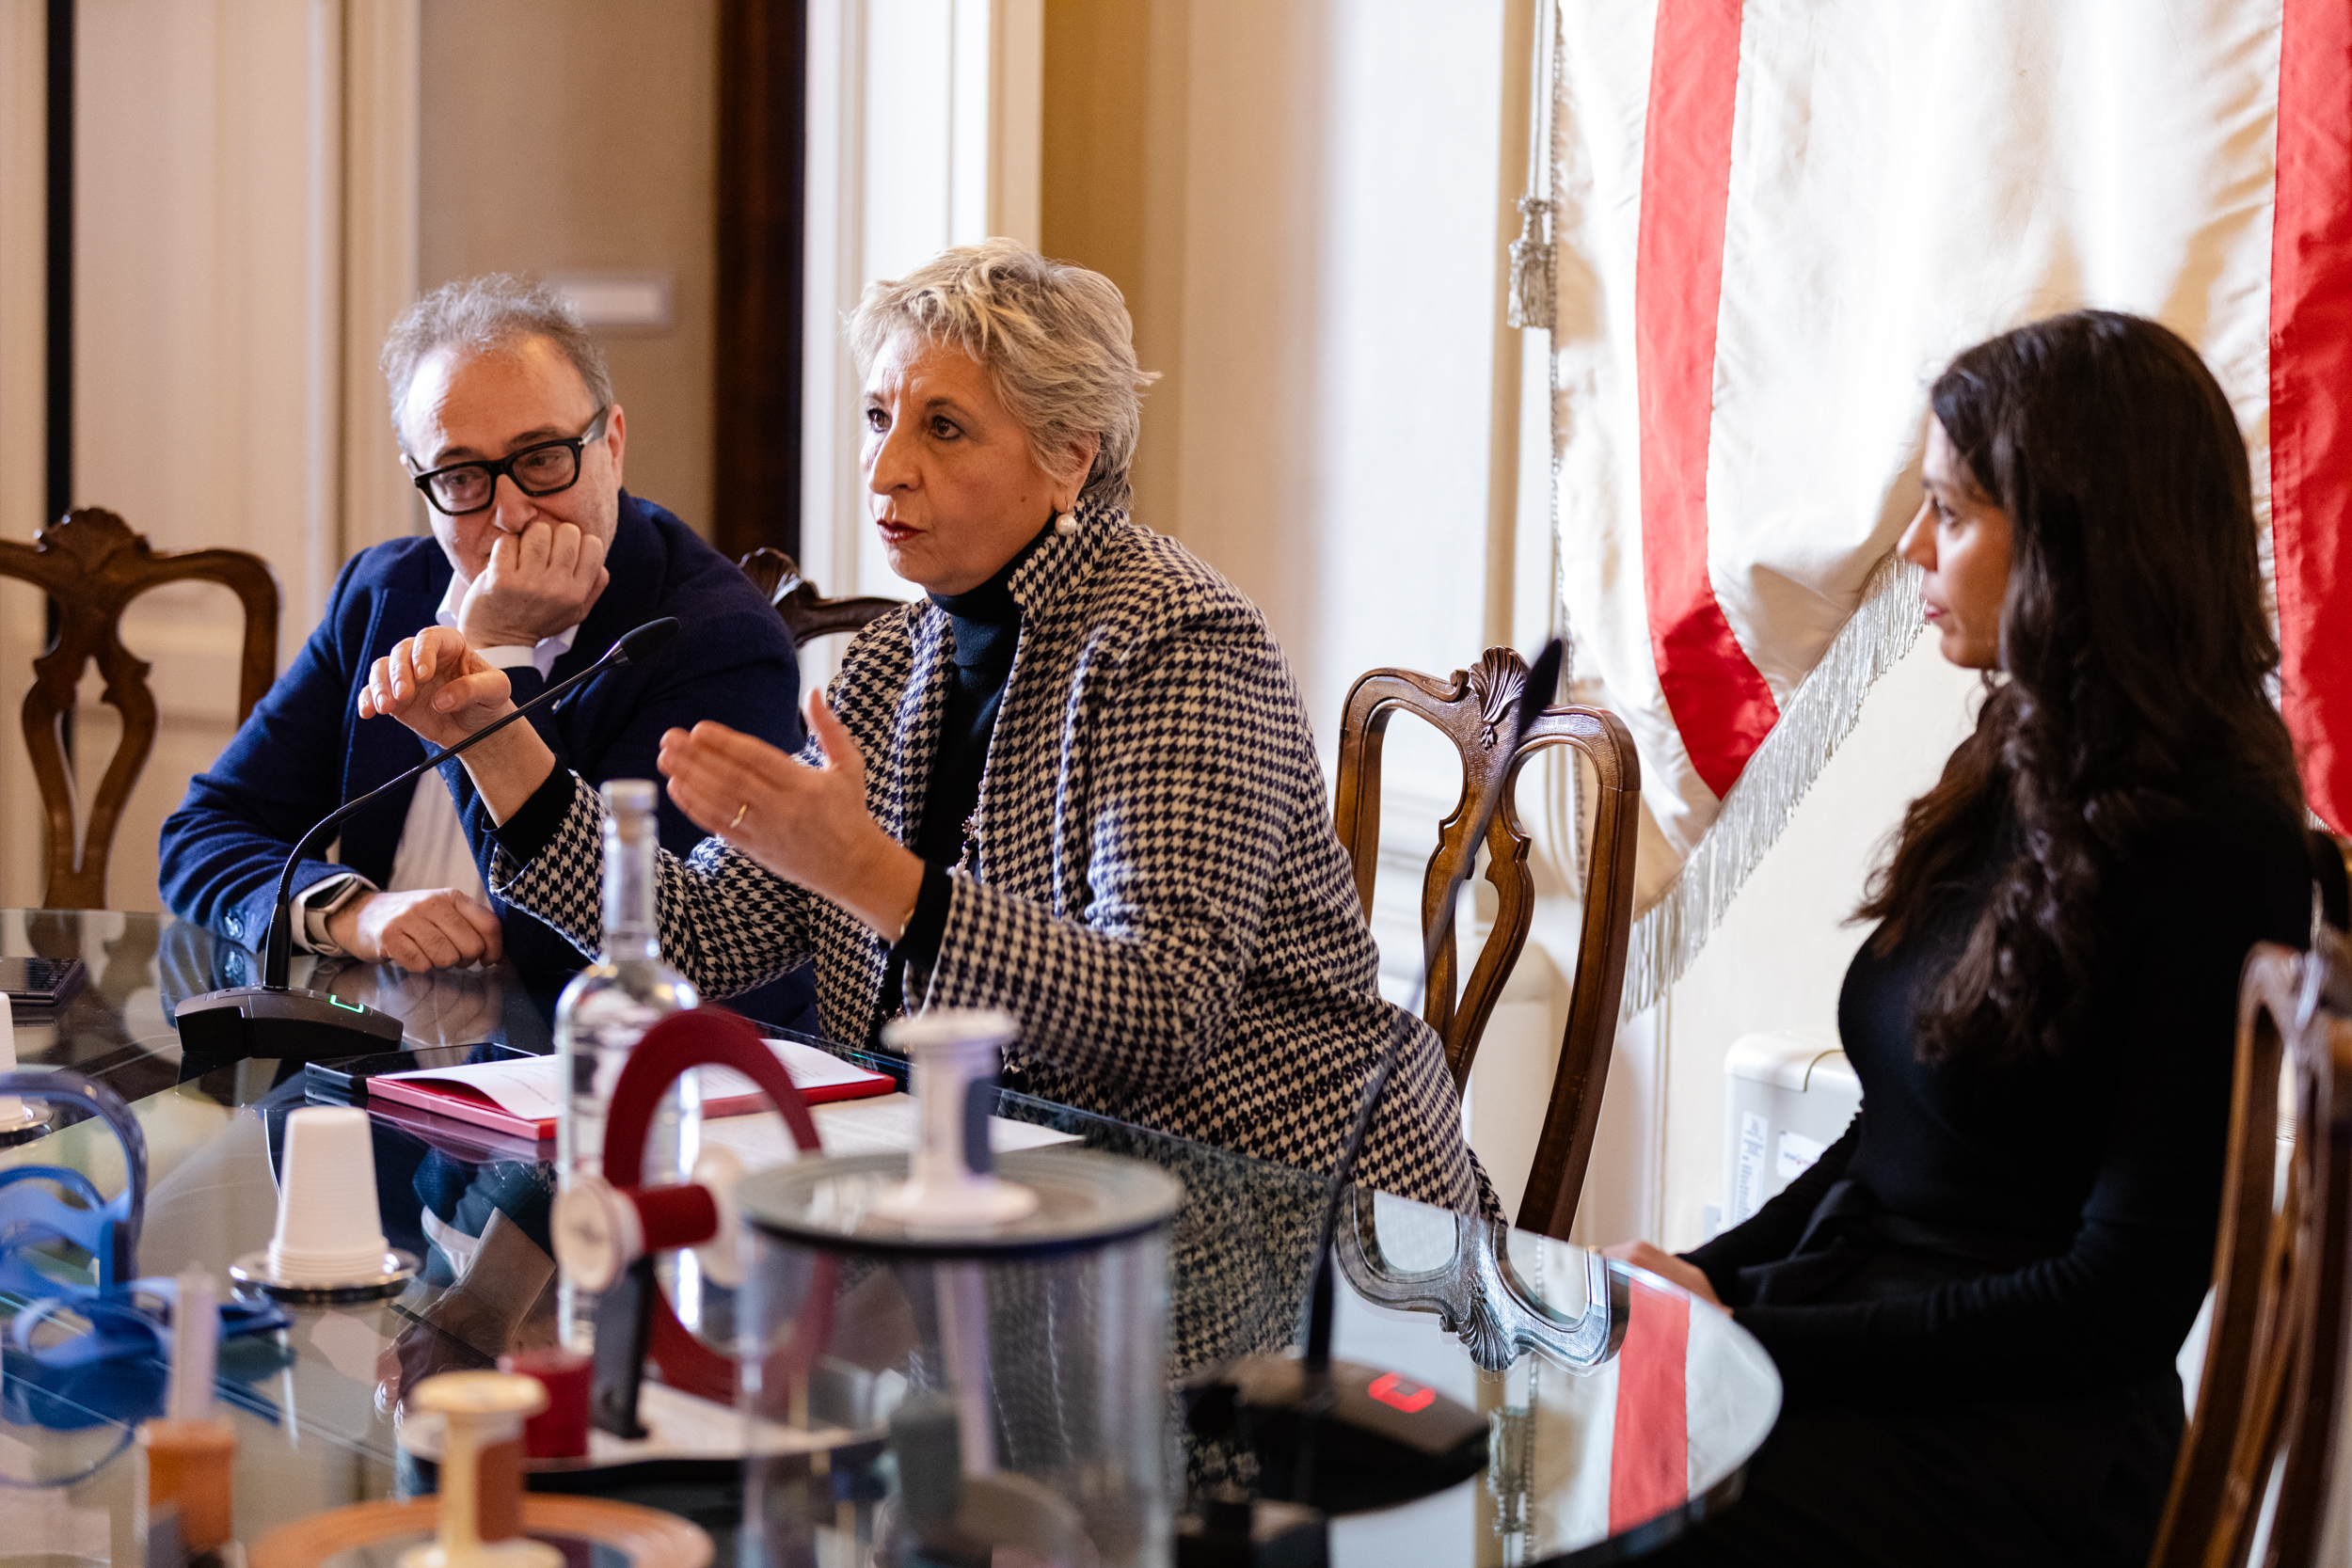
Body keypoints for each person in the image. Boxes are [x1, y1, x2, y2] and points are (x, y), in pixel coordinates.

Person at [357, 240, 1485, 1212]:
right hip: (1011, 1207)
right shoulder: (896, 657)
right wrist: (495, 738)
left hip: (1283, 1215)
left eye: (943, 428)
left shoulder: (1177, 638)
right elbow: (698, 937)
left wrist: (866, 871)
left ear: (1070, 454)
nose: (886, 468)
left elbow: (1159, 1012)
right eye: (877, 417)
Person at [1609, 311, 2315, 1567]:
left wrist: (1747, 1333)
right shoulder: (2018, 749)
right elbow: (1895, 1142)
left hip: (2029, 1446)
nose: (1914, 548)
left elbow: (2118, 1303)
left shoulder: (2223, 834)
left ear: (2071, 538)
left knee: (1620, 1510)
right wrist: (1701, 1282)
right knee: (1559, 1435)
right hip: (1887, 1358)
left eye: (1950, 511)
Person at [160, 275, 817, 1026]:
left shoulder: (715, 638)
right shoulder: (383, 594)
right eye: (462, 475)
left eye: (542, 457)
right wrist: (351, 912)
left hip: (621, 1069)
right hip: (388, 1052)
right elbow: (201, 833)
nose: (510, 512)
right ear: (422, 482)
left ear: (612, 445)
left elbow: (586, 953)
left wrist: (498, 652)